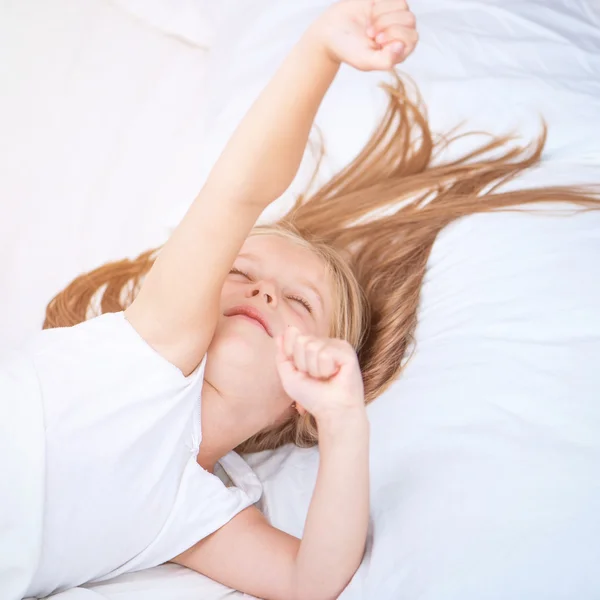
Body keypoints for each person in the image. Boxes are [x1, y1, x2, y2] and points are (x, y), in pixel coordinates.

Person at [0, 2, 421, 600]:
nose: (264, 291)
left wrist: (344, 424)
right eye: (240, 269)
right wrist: (320, 50)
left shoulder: (197, 510)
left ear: (294, 407)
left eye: (299, 305)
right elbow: (237, 190)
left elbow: (312, 581)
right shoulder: (152, 352)